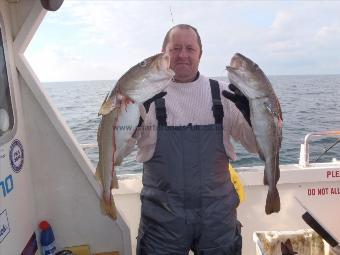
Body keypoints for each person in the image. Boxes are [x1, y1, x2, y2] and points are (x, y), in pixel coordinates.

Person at [133, 24, 258, 255]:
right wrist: (131, 124)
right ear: (163, 54)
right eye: (176, 48)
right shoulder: (143, 99)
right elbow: (117, 153)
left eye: (190, 48)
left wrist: (255, 118)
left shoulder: (225, 94)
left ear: (201, 53)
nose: (182, 54)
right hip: (161, 221)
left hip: (217, 220)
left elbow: (255, 146)